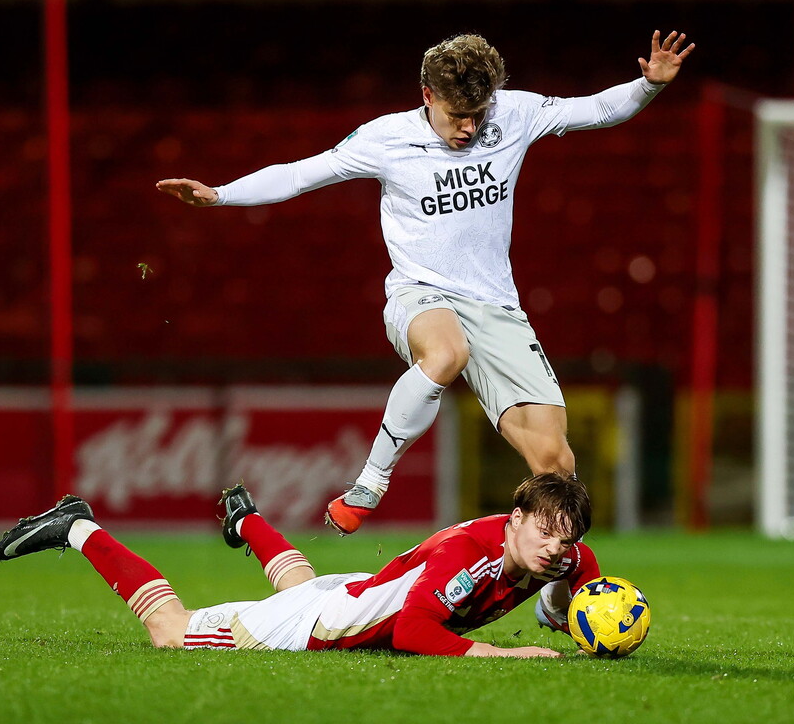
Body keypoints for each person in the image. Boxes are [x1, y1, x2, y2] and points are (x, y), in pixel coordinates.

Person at [157, 30, 694, 535]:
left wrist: (649, 85)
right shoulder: (386, 138)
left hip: (497, 306)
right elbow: (301, 173)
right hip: (420, 293)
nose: (469, 128)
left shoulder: (515, 114)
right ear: (427, 96)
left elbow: (598, 110)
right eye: (458, 115)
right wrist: (219, 195)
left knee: (557, 466)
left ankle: (555, 598)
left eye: (478, 115)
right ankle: (369, 485)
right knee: (445, 353)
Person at [0, 473, 596, 657]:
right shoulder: (467, 555)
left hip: (354, 596)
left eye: (563, 541)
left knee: (302, 587)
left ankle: (243, 522)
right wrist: (503, 653)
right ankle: (77, 526)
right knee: (170, 632)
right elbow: (413, 631)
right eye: (543, 531)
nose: (554, 549)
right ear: (515, 516)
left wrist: (580, 612)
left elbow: (585, 572)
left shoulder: (563, 552)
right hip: (320, 624)